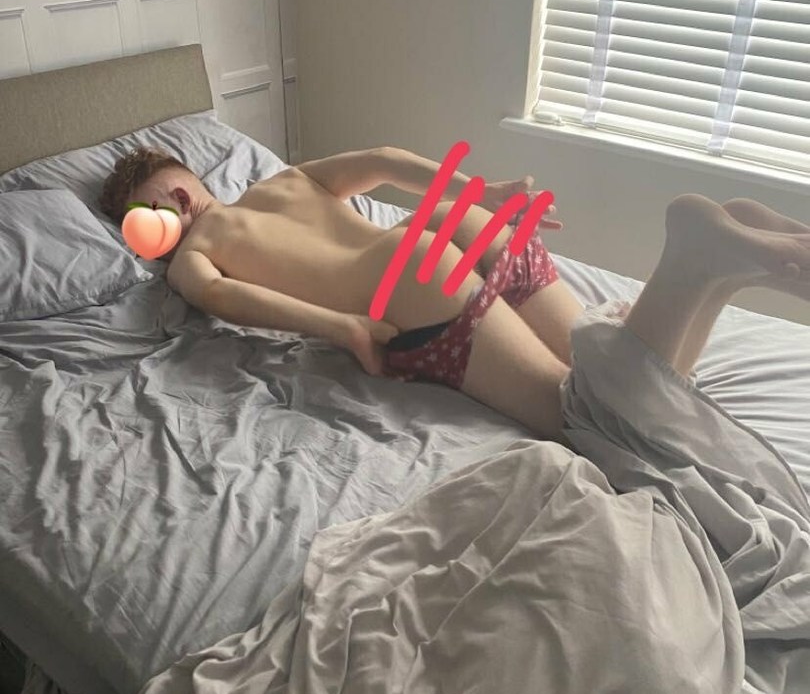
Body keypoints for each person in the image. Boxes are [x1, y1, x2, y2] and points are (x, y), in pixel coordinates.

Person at [99, 144, 810, 442]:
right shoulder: (280, 182)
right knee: (612, 369)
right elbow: (382, 161)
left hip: (403, 277)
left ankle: (695, 257)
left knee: (581, 414)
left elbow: (230, 301)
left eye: (162, 201)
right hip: (448, 223)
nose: (169, 214)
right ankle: (722, 260)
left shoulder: (193, 255)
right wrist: (484, 193)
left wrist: (345, 327)